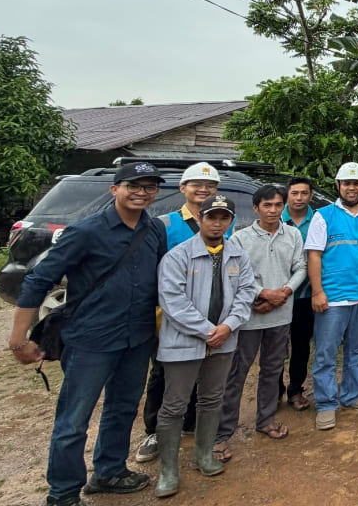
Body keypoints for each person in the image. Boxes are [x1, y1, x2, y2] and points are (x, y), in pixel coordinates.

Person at [9, 162, 168, 506]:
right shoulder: (85, 232)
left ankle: (109, 471)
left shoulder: (154, 230)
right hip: (91, 340)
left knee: (123, 407)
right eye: (134, 186)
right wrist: (19, 337)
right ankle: (63, 493)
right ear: (115, 189)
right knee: (73, 420)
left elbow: (163, 281)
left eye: (149, 187)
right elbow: (39, 280)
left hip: (137, 337)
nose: (141, 192)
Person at [153, 194, 257, 498]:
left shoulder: (237, 255)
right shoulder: (178, 256)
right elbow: (172, 301)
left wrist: (227, 326)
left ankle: (203, 456)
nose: (217, 223)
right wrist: (207, 330)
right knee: (174, 405)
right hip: (185, 342)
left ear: (231, 221)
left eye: (224, 218)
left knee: (212, 399)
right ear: (200, 218)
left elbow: (246, 294)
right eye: (211, 217)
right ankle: (169, 471)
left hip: (223, 341)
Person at [137, 162, 225, 463]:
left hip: (213, 313)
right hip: (173, 317)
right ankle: (154, 431)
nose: (204, 190)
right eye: (197, 185)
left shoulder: (223, 219)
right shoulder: (165, 224)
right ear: (182, 188)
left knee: (203, 372)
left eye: (210, 186)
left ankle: (191, 424)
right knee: (164, 373)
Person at [215, 185, 306, 463]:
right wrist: (264, 293)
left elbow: (301, 267)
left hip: (281, 315)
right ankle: (222, 433)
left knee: (272, 368)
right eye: (267, 205)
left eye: (278, 205)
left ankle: (265, 419)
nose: (273, 210)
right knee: (236, 373)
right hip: (249, 317)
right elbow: (237, 273)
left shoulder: (292, 234)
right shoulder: (240, 238)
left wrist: (285, 293)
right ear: (256, 208)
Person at [305, 162, 358, 431]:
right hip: (333, 297)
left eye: (356, 183)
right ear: (338, 186)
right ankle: (326, 403)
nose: (351, 188)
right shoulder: (324, 216)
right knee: (327, 353)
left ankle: (352, 395)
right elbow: (314, 255)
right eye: (346, 183)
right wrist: (317, 291)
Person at [282, 176, 317, 412]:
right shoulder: (275, 217)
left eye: (304, 193)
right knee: (275, 348)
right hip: (277, 296)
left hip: (305, 295)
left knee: (301, 346)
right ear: (288, 194)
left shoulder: (319, 221)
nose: (299, 198)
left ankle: (295, 388)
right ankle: (272, 388)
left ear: (310, 196)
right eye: (295, 193)